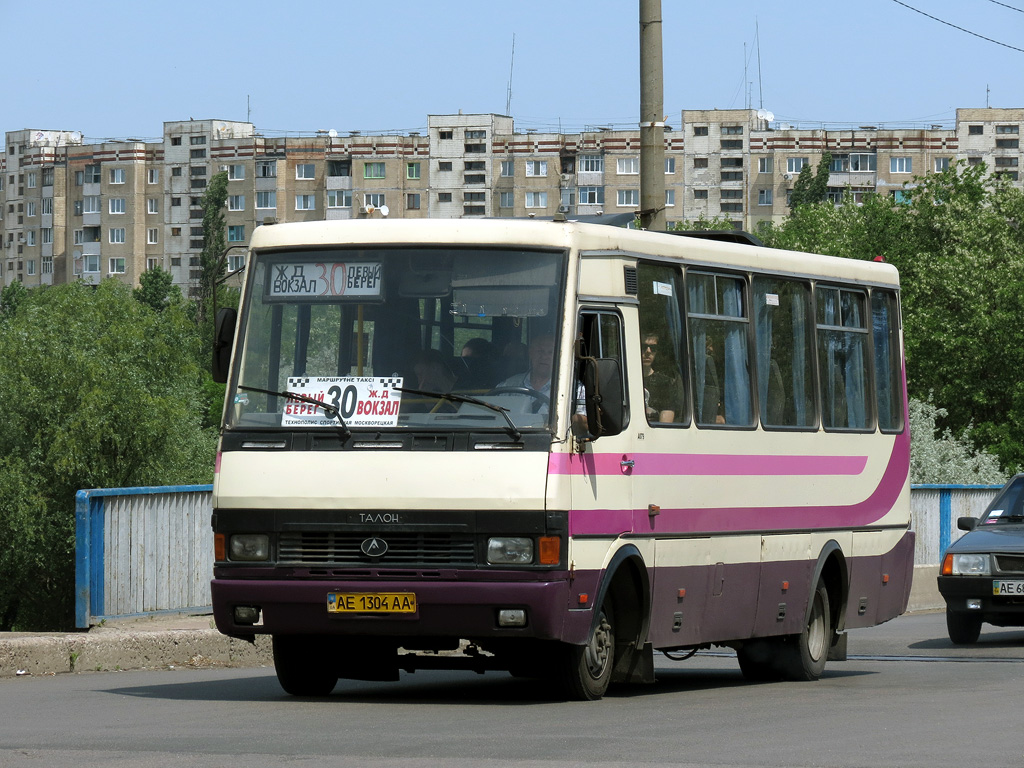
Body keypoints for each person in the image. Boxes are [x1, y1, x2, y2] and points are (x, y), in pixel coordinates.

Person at [640, 333, 683, 423]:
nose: (648, 351)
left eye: (653, 348)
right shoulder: (625, 382)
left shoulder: (665, 384)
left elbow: (664, 426)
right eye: (643, 346)